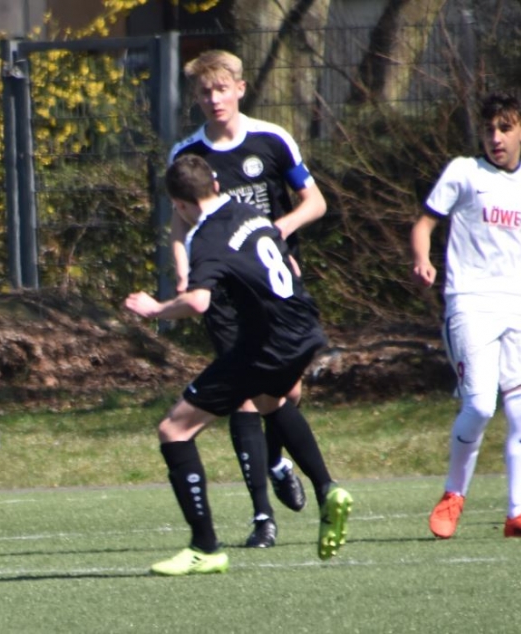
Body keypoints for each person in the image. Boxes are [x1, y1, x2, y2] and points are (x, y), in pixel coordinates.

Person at [126, 154, 352, 576]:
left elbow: (198, 302)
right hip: (305, 328)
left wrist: (155, 309)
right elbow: (289, 263)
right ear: (215, 183)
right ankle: (327, 490)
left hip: (267, 343)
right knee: (269, 401)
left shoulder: (205, 237)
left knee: (174, 429)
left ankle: (205, 548)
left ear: (179, 204)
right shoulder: (250, 212)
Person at [168, 49, 329, 548]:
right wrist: (184, 275)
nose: (214, 99)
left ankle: (277, 460)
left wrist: (275, 234)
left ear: (240, 88)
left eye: (222, 89)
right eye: (204, 92)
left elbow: (315, 202)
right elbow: (179, 226)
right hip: (224, 297)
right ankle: (263, 517)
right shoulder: (188, 155)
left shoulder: (271, 140)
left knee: (284, 396)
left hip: (273, 290)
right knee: (243, 395)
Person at [410, 89, 521, 539]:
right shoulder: (464, 173)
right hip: (470, 302)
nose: (496, 137)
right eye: (489, 129)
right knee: (481, 405)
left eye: (505, 128)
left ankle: (518, 512)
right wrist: (423, 259)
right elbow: (424, 224)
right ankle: (453, 494)